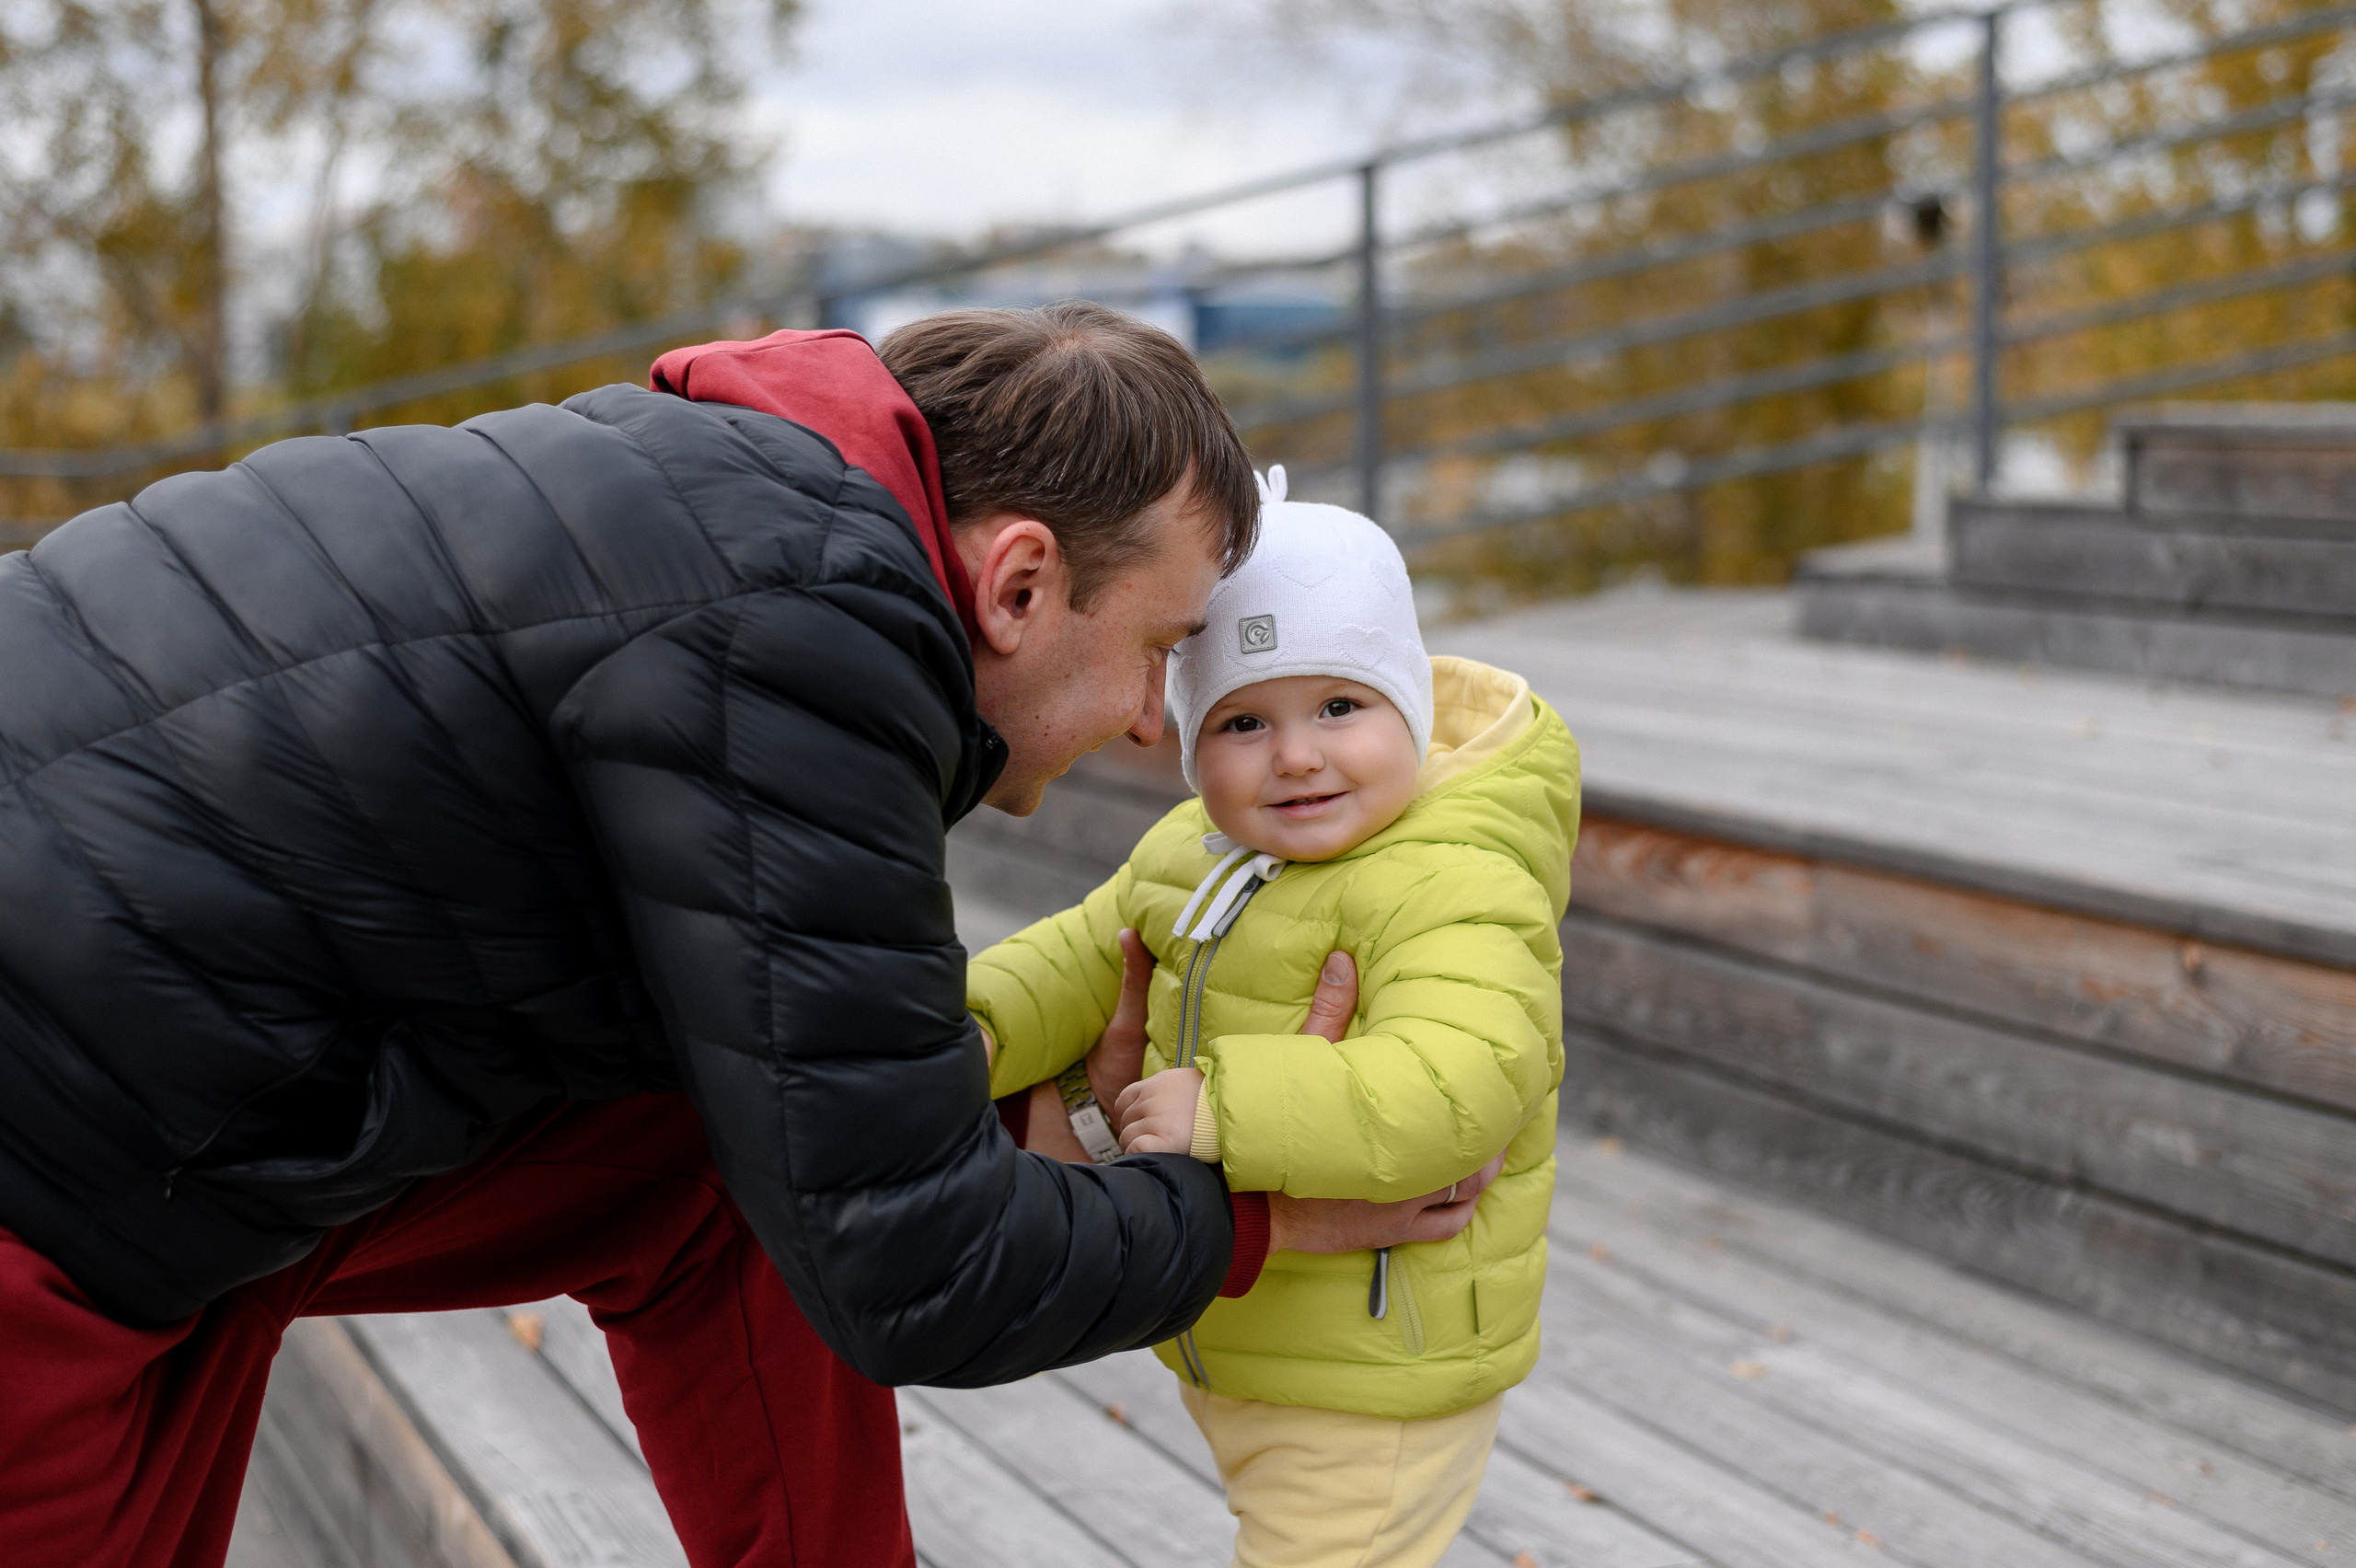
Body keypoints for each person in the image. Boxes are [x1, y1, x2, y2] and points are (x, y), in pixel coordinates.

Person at [0, 308, 1497, 1568]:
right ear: (1022, 581)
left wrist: (970, 1107)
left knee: (714, 1156)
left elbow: (802, 1085)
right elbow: (917, 1261)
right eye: (1162, 653)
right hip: (49, 1182)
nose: (1141, 722)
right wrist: (1243, 1217)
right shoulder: (803, 624)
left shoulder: (730, 517)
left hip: (151, 1101)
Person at [968, 470, 1580, 1568]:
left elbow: (1460, 1083)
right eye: (1244, 720)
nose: (1295, 754)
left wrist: (1230, 1105)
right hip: (1246, 1329)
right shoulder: (1194, 852)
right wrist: (970, 1030)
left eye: (1340, 707)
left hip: (1379, 1358)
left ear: (1411, 709)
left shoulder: (1453, 884)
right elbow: (1079, 957)